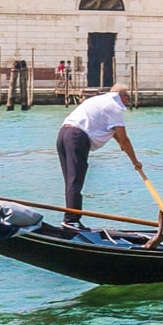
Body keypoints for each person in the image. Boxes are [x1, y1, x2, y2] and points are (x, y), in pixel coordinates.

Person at [55, 82, 139, 229]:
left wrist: (121, 144)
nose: (128, 101)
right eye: (128, 97)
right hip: (77, 137)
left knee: (71, 181)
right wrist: (135, 162)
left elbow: (112, 131)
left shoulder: (98, 100)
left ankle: (69, 217)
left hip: (63, 134)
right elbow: (125, 139)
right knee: (75, 181)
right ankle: (71, 220)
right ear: (122, 96)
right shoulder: (114, 108)